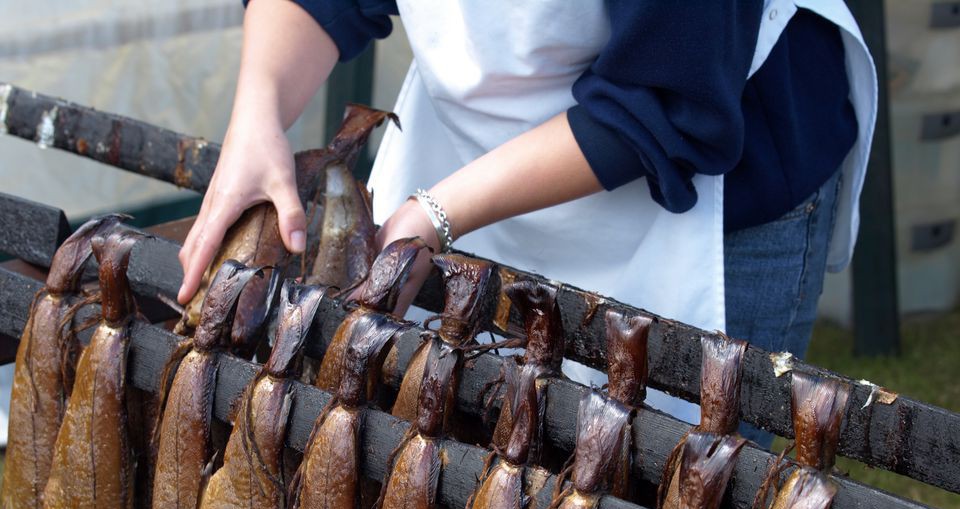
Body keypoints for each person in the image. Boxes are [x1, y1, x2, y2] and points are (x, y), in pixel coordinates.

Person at [177, 0, 876, 433]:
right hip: (469, 139)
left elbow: (667, 101)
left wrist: (439, 213)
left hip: (709, 173)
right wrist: (258, 109)